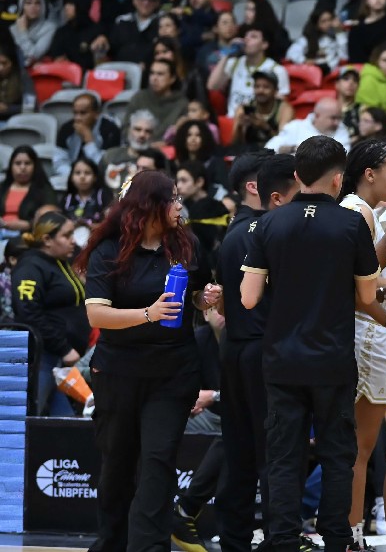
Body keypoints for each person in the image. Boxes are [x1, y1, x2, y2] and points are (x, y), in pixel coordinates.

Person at [240, 135, 386, 552]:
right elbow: (366, 298)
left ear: (296, 176)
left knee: (283, 456)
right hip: (331, 359)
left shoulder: (268, 224)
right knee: (337, 455)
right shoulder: (351, 225)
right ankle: (337, 540)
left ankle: (281, 540)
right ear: (338, 179)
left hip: (281, 359)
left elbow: (248, 297)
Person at [78, 170, 220, 552]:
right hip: (118, 371)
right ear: (149, 207)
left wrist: (202, 299)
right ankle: (111, 543)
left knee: (158, 461)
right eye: (171, 199)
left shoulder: (186, 244)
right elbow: (97, 316)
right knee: (118, 465)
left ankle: (150, 547)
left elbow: (190, 295)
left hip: (173, 373)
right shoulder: (109, 250)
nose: (179, 205)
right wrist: (148, 313)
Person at [212, 153, 299, 552]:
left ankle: (235, 540)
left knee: (240, 453)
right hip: (263, 349)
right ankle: (279, 540)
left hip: (235, 349)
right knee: (272, 456)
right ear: (255, 186)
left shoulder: (232, 233)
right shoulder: (264, 231)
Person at [334, 139, 386, 551]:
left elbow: (369, 285)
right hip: (364, 335)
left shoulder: (361, 212)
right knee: (357, 449)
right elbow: (360, 291)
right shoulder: (357, 213)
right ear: (369, 174)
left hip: (361, 331)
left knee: (357, 448)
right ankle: (348, 535)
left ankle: (351, 532)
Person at [13, 211, 88, 416]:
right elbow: (28, 312)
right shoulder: (30, 265)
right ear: (47, 239)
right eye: (66, 235)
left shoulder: (60, 263)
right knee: (28, 418)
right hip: (43, 356)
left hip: (59, 359)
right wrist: (64, 348)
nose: (73, 241)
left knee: (64, 425)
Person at [207, 25, 291, 117]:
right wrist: (227, 53)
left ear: (264, 45)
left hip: (258, 121)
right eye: (246, 36)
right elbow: (212, 86)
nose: (246, 39)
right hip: (232, 119)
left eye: (253, 37)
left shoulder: (277, 70)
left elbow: (281, 104)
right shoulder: (234, 63)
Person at [0, 146, 58, 235]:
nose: (22, 167)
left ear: (35, 166)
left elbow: (52, 216)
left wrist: (29, 225)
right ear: (11, 166)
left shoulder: (43, 189)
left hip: (29, 237)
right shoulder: (2, 187)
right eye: (18, 163)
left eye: (27, 163)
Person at [267, 98, 353, 154]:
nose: (337, 123)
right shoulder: (295, 127)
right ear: (317, 116)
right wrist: (289, 149)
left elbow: (341, 158)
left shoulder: (341, 131)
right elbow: (269, 148)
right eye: (333, 118)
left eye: (339, 118)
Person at [57, 92, 123, 163]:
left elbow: (105, 165)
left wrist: (89, 141)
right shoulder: (66, 128)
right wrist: (71, 173)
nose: (77, 118)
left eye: (83, 113)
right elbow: (59, 161)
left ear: (96, 113)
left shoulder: (110, 130)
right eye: (75, 113)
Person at [235, 71, 295, 149]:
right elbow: (235, 145)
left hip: (273, 154)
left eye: (266, 87)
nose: (260, 91)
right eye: (257, 86)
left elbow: (284, 143)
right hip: (249, 154)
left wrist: (265, 127)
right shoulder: (244, 108)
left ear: (276, 90)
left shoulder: (284, 109)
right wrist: (239, 128)